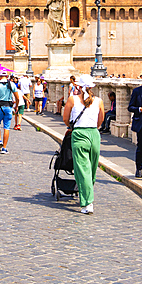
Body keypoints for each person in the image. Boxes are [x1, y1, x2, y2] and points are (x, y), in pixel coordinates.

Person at [63, 75, 103, 214]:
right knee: (91, 169)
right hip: (94, 134)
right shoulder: (99, 101)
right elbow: (100, 120)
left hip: (79, 134)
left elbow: (65, 118)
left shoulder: (72, 99)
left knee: (83, 169)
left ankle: (87, 202)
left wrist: (73, 126)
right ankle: (87, 194)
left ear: (78, 86)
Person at [0, 73, 17, 154]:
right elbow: (17, 97)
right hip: (8, 107)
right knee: (7, 127)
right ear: (7, 76)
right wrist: (17, 106)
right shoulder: (11, 84)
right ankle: (4, 148)